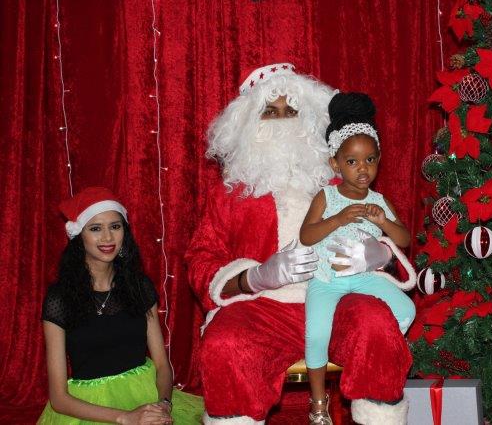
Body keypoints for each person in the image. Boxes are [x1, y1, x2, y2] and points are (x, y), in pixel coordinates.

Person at [185, 63, 417, 425]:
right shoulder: (230, 193)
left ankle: (379, 419)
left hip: (340, 295)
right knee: (224, 343)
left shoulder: (342, 179)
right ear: (247, 123)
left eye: (291, 110)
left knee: (376, 323)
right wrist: (254, 277)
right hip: (264, 308)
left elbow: (388, 228)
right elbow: (201, 258)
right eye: (270, 111)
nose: (282, 121)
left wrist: (379, 255)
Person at [39, 187, 203, 424]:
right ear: (79, 235)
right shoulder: (59, 298)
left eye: (115, 226)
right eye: (96, 228)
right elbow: (59, 399)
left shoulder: (139, 286)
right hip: (89, 409)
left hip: (146, 396)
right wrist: (126, 417)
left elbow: (161, 365)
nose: (107, 238)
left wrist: (163, 405)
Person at [300, 93, 416, 424]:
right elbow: (306, 235)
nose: (362, 168)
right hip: (327, 279)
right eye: (352, 161)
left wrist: (384, 222)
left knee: (406, 310)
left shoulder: (380, 200)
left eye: (370, 160)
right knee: (316, 335)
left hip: (365, 278)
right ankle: (318, 402)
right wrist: (337, 219)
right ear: (335, 164)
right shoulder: (326, 196)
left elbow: (404, 240)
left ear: (379, 160)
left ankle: (372, 361)